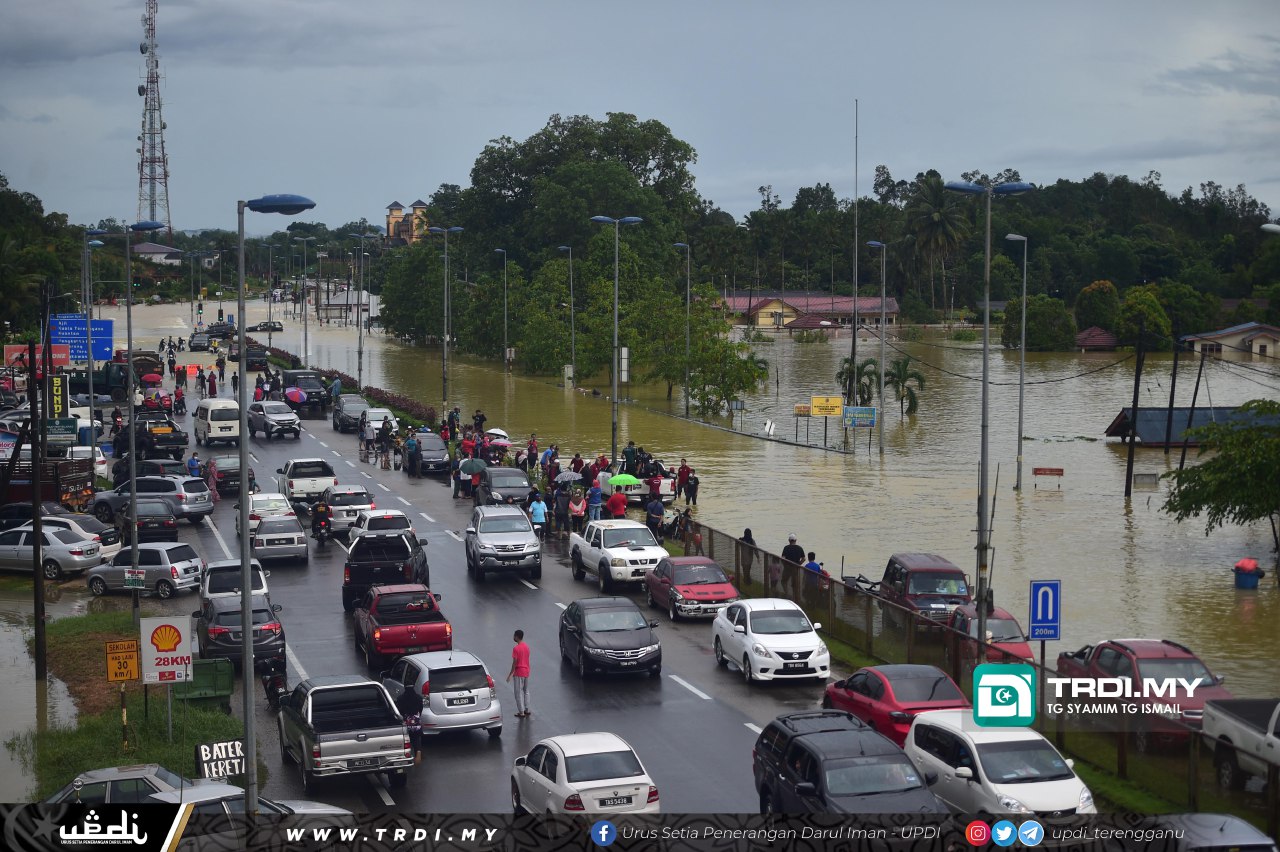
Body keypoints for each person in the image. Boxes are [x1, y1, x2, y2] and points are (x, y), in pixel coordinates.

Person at [507, 629, 531, 718]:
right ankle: (527, 709)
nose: (513, 637)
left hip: (519, 672)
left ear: (517, 636)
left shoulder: (516, 648)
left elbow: (515, 662)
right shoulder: (526, 647)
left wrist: (510, 674)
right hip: (526, 672)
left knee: (518, 693)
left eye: (514, 635)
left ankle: (521, 712)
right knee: (526, 691)